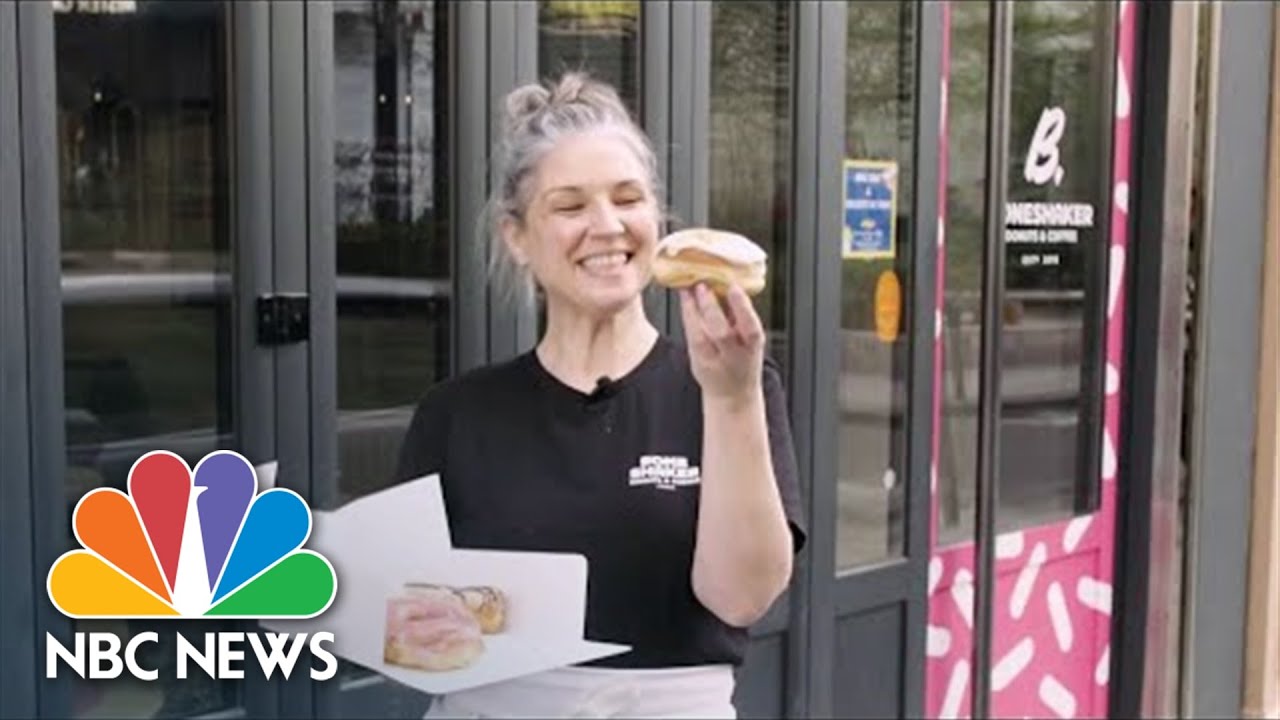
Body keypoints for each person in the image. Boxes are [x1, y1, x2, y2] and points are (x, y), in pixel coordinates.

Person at [394, 71, 806, 719]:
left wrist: (730, 400)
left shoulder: (732, 385)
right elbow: (404, 618)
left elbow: (742, 598)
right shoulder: (455, 415)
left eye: (628, 198)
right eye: (569, 206)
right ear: (517, 238)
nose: (607, 225)